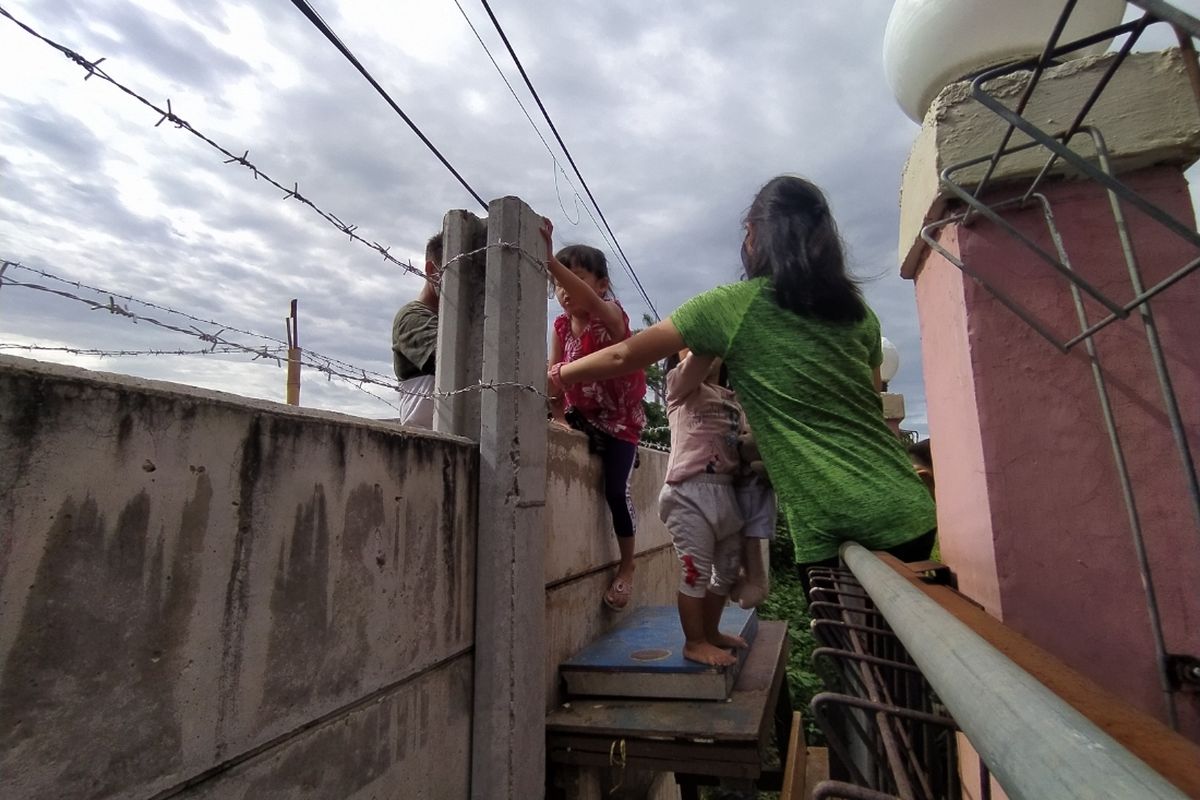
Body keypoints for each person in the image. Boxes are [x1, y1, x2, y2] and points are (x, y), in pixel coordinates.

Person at [547, 176, 936, 597]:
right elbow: (864, 407)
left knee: (852, 656)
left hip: (837, 521)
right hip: (909, 510)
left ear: (755, 236)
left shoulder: (734, 306)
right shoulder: (858, 313)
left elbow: (624, 355)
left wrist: (559, 375)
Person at [543, 220, 648, 611]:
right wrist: (559, 417)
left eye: (576, 279)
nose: (564, 290)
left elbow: (584, 297)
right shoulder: (560, 326)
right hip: (581, 415)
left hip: (620, 422)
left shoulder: (612, 317)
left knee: (615, 491)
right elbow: (556, 377)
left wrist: (552, 262)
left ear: (600, 285)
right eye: (558, 284)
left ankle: (627, 568)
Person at [659, 350, 748, 665]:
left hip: (726, 493)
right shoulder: (680, 388)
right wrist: (709, 335)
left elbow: (746, 440)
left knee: (725, 571)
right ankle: (694, 642)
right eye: (692, 344)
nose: (707, 350)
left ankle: (710, 633)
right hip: (688, 494)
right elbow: (697, 360)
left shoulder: (732, 399)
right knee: (695, 573)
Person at [391, 232, 443, 428]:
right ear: (432, 270)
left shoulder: (460, 323)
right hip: (428, 447)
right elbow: (450, 362)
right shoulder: (411, 317)